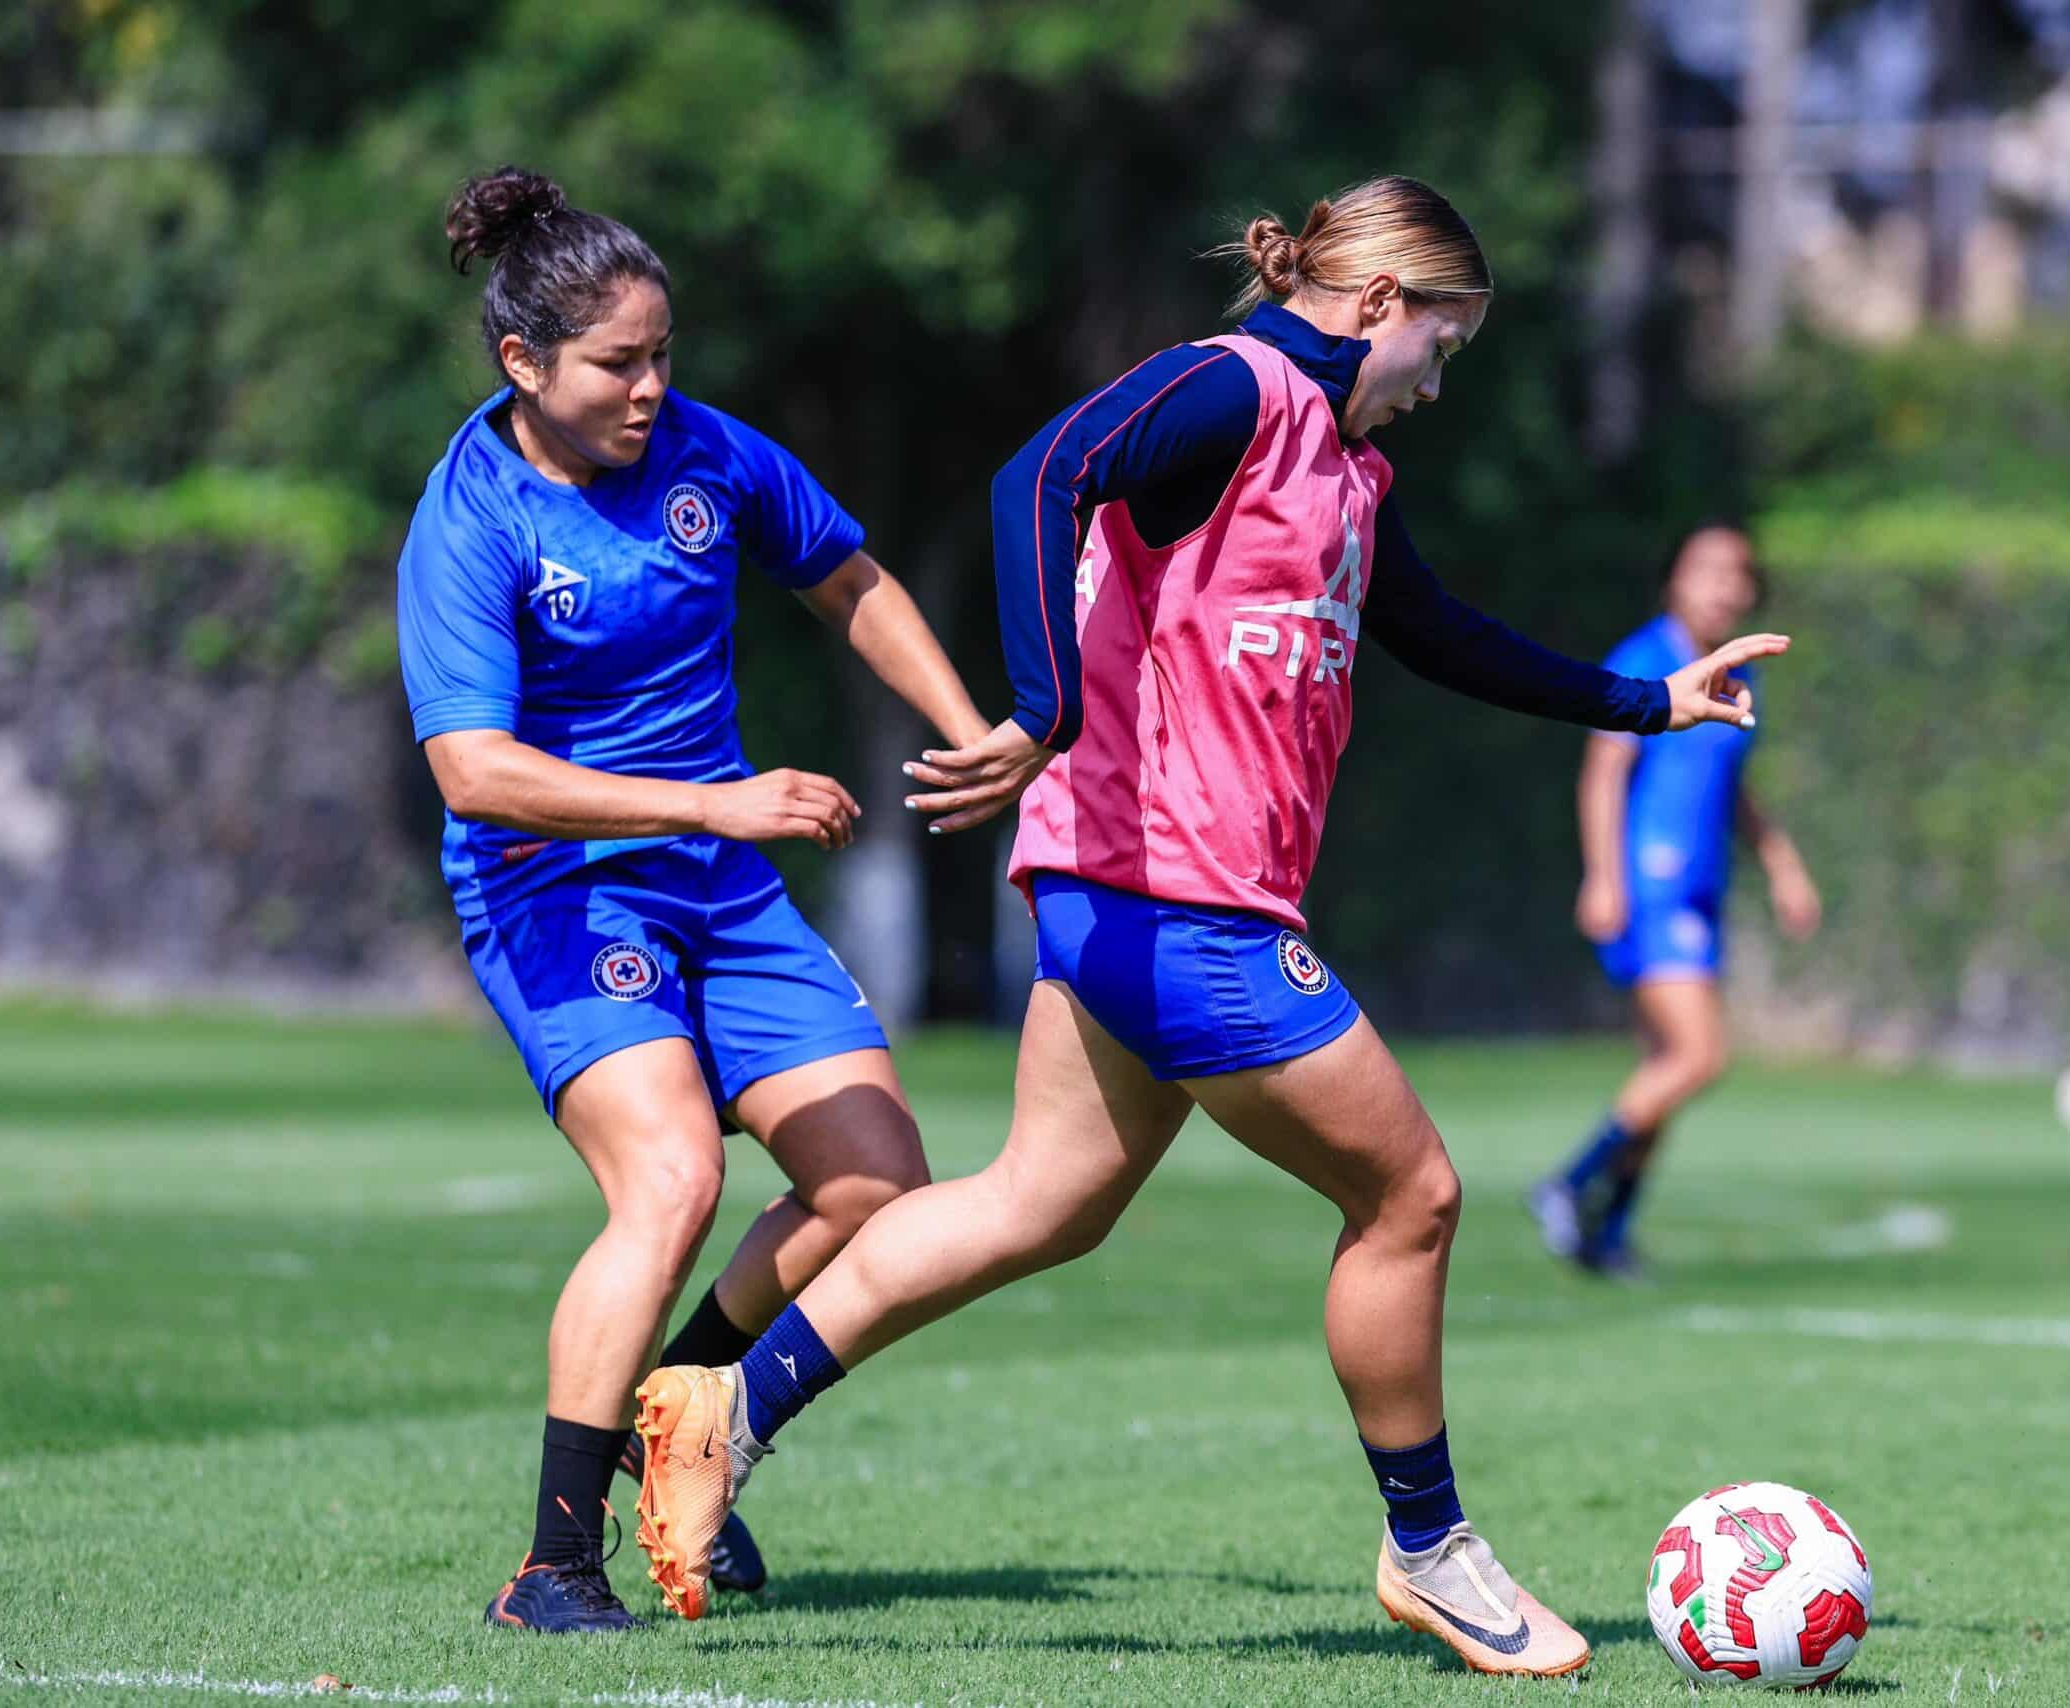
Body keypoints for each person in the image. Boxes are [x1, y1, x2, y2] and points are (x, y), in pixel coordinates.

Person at [626, 175, 1786, 1677]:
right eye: (1443, 343)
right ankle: (1430, 1548)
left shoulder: (1347, 472)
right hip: (1174, 899)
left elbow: (1436, 633)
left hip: (1140, 898)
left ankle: (721, 1406)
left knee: (1042, 1204)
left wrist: (1651, 700)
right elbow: (1039, 477)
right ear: (1377, 304)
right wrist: (1040, 710)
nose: (1440, 381)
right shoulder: (1228, 394)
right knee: (1412, 1195)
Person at [397, 166, 993, 1630]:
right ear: (522, 364)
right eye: (619, 363)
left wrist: (972, 733)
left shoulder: (710, 458)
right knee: (671, 1181)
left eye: (664, 354)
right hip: (560, 894)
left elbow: (849, 579)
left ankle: (677, 1405)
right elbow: (475, 773)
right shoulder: (471, 519)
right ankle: (550, 1567)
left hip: (716, 884)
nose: (654, 387)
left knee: (877, 1187)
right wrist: (716, 801)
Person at [1531, 527, 1819, 1277]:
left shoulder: (1734, 674)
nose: (1726, 586)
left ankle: (1609, 1233)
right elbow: (1603, 771)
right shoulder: (1647, 658)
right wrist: (1603, 875)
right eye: (1708, 570)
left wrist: (1782, 863)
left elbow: (1733, 790)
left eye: (1740, 574)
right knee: (1699, 1057)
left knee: (1663, 1069)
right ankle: (1570, 1184)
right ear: (1673, 581)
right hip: (1651, 889)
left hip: (1698, 893)